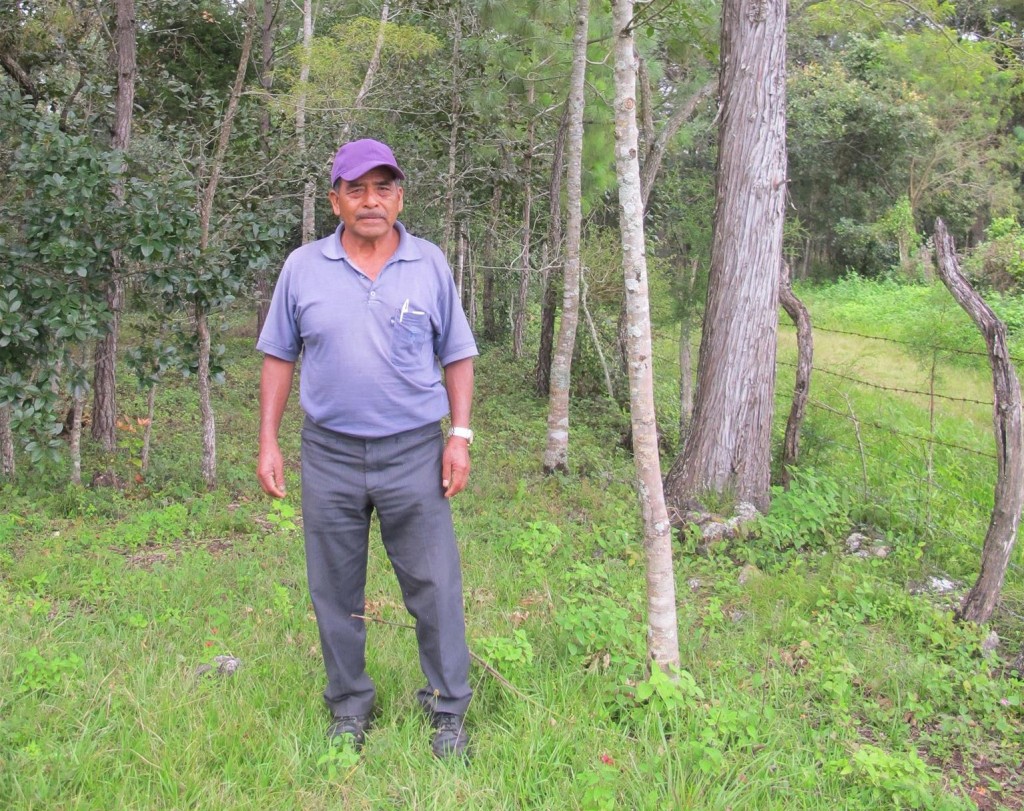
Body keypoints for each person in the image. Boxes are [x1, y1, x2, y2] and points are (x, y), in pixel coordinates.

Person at [255, 138, 477, 760]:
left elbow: (457, 353)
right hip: (328, 454)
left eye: (383, 188)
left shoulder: (429, 263)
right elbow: (279, 354)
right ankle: (349, 706)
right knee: (335, 588)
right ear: (336, 200)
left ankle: (447, 709)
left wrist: (459, 436)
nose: (371, 201)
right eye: (357, 189)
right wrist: (268, 440)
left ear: (400, 196)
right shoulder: (302, 268)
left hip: (415, 452)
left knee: (434, 585)